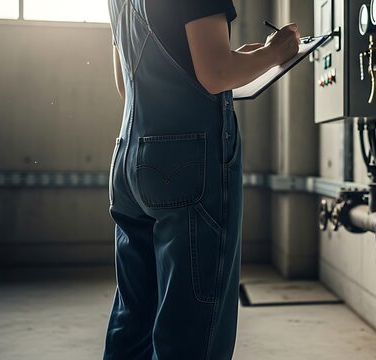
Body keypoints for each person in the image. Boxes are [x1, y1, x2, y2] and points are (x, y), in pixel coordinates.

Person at [103, 0, 299, 358]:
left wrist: (239, 58)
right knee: (191, 327)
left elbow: (124, 83)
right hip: (185, 167)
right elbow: (217, 73)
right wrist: (275, 52)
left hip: (130, 159)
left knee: (134, 321)